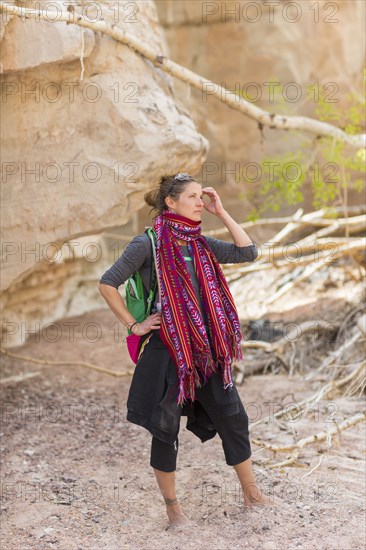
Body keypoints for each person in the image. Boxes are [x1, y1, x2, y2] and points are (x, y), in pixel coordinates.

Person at [98, 173, 272, 530]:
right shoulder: (146, 245)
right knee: (165, 431)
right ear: (170, 204)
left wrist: (222, 212)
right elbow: (107, 283)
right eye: (192, 197)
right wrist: (135, 325)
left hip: (206, 351)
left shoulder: (201, 244)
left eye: (201, 196)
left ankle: (252, 494)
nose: (199, 202)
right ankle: (174, 511)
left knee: (234, 418)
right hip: (166, 352)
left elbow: (248, 252)